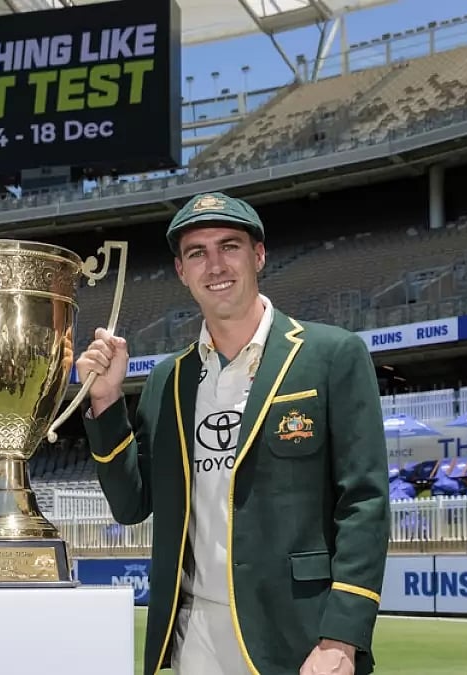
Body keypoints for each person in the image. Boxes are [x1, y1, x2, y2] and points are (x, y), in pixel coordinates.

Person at [75, 192, 390, 675]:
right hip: (192, 635)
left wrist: (342, 637)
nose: (215, 264)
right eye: (197, 253)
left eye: (230, 246)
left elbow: (364, 503)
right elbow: (131, 504)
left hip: (299, 635)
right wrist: (106, 402)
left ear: (258, 255)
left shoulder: (332, 355)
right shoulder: (168, 379)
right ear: (181, 271)